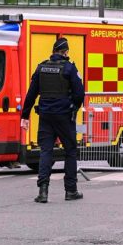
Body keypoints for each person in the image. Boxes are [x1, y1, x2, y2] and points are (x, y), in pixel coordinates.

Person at [21, 37, 85, 203]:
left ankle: (43, 192)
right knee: (70, 150)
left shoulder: (41, 68)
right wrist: (74, 107)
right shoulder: (69, 68)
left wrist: (25, 115)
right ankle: (71, 190)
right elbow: (79, 93)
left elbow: (31, 94)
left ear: (53, 51)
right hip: (64, 116)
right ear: (65, 52)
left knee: (46, 151)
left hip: (46, 116)